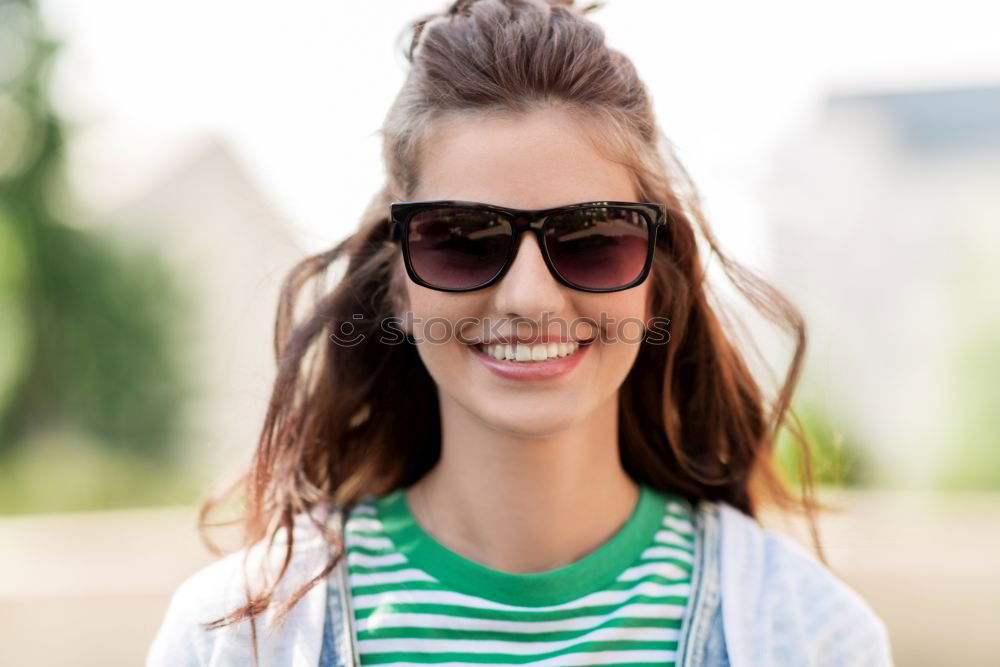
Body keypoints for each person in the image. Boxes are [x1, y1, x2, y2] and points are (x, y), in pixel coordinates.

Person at [147, 0, 894, 665]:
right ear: (399, 285)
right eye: (462, 237)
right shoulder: (232, 638)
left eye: (593, 237)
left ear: (656, 280)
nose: (529, 296)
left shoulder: (813, 637)